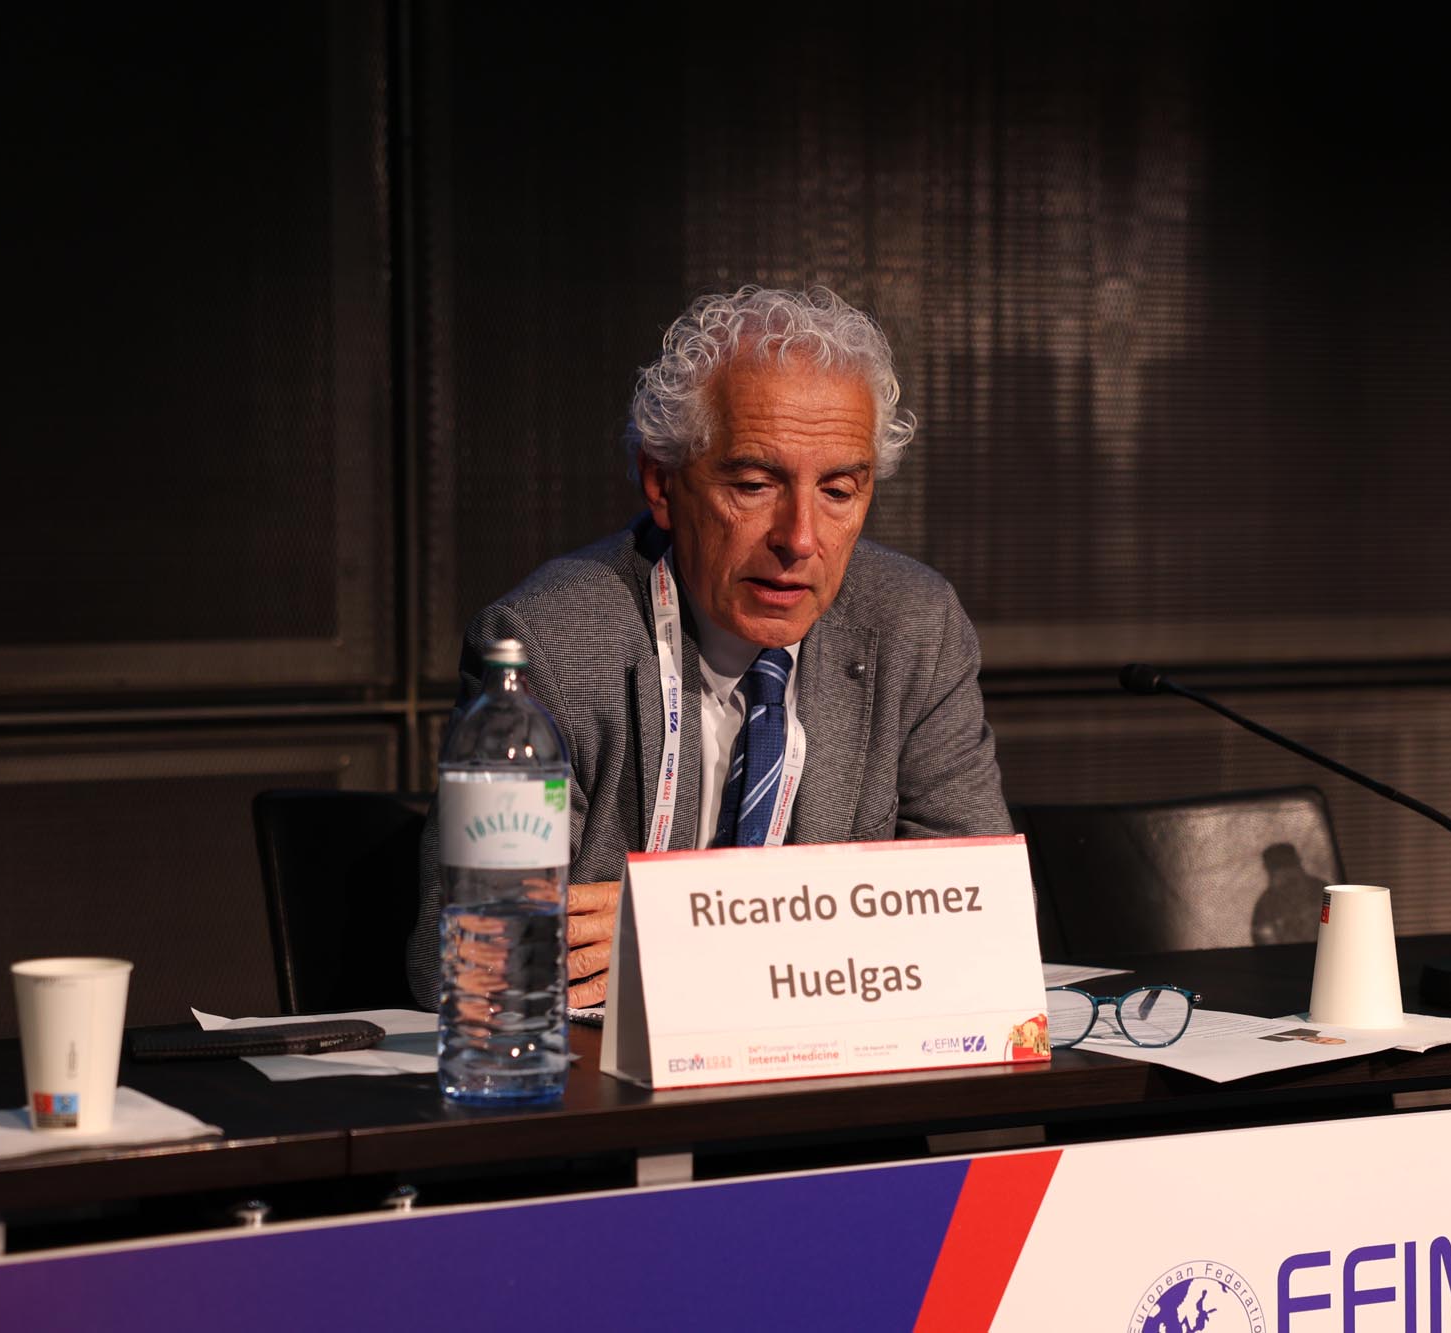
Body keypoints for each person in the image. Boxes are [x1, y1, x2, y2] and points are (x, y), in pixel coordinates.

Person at [409, 285, 1011, 1010]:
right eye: (755, 485)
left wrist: (695, 929)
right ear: (662, 484)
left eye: (838, 491)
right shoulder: (547, 643)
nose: (800, 538)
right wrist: (845, 921)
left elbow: (984, 921)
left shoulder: (914, 625)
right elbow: (474, 959)